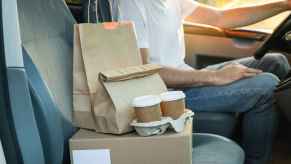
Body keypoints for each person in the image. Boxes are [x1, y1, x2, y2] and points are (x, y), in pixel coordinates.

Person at [117, 0, 291, 164]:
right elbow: (143, 72)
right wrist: (214, 77)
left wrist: (284, 5)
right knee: (267, 86)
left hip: (186, 79)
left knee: (275, 62)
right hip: (168, 97)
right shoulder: (131, 4)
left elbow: (219, 17)